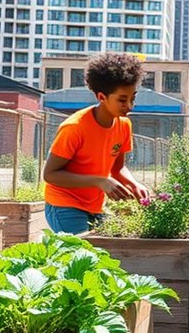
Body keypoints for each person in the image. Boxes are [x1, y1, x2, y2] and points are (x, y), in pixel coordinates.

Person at [43, 52, 150, 234]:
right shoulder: (74, 127)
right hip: (64, 204)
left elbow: (118, 169)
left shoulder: (124, 125)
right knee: (83, 255)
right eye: (122, 100)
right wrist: (100, 181)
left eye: (133, 98)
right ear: (102, 97)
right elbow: (50, 175)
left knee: (108, 253)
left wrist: (134, 184)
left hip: (94, 206)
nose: (130, 106)